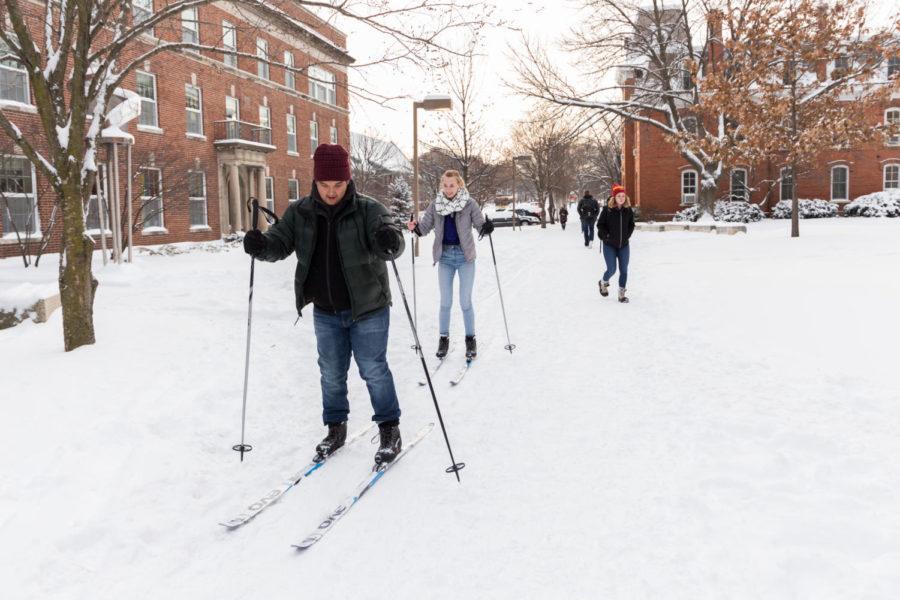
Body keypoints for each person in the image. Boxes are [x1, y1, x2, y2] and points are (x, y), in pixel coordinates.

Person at [242, 143, 407, 466]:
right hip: (326, 311)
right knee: (331, 373)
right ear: (315, 182)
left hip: (368, 307)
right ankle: (336, 428)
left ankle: (389, 428)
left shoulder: (369, 210)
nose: (331, 192)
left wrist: (391, 241)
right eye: (325, 185)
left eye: (338, 185)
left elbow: (392, 240)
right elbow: (279, 243)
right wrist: (261, 246)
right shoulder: (300, 213)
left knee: (373, 369)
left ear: (348, 181)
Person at [408, 170, 494, 360]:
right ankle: (443, 338)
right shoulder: (435, 205)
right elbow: (424, 228)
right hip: (445, 257)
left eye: (451, 185)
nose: (448, 189)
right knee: (445, 302)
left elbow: (480, 226)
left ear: (459, 185)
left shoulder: (469, 204)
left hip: (465, 257)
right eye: (445, 185)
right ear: (441, 186)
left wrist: (487, 228)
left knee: (465, 301)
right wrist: (415, 227)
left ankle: (470, 339)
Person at [597, 184, 636, 303]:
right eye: (619, 196)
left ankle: (621, 294)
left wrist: (627, 236)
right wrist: (606, 237)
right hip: (609, 245)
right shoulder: (607, 210)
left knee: (624, 270)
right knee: (612, 269)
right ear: (614, 197)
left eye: (623, 196)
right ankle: (603, 282)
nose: (621, 198)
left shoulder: (627, 210)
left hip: (624, 245)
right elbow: (600, 225)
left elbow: (631, 225)